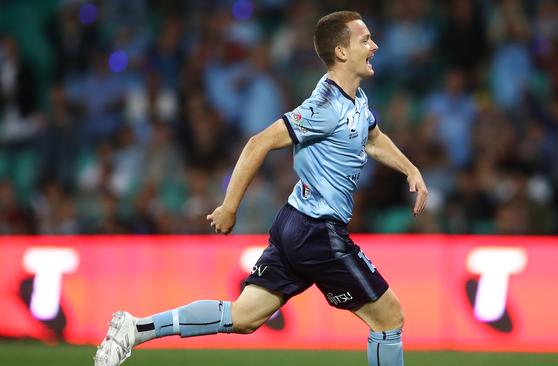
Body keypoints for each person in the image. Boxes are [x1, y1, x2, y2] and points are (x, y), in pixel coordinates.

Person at [94, 11, 427, 366]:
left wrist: (410, 169)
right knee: (389, 317)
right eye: (365, 40)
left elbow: (372, 137)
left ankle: (136, 328)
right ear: (342, 52)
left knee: (245, 316)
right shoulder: (324, 107)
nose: (374, 46)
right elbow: (258, 143)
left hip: (295, 222)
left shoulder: (355, 100)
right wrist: (229, 207)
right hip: (318, 231)